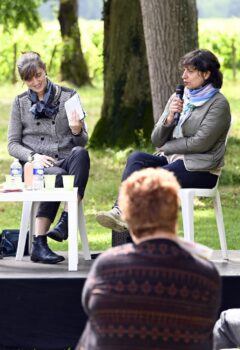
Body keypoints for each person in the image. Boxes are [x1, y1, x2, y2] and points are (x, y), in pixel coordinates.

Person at [76, 168, 221, 350]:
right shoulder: (206, 275)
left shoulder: (107, 267)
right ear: (175, 214)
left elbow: (88, 304)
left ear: (128, 218)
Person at [96, 48, 231, 232]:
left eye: (190, 71)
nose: (184, 75)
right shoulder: (179, 97)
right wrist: (169, 120)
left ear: (206, 74)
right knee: (136, 159)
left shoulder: (218, 104)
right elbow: (156, 139)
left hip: (201, 169)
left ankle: (134, 240)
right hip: (171, 160)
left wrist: (168, 146)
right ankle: (121, 211)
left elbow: (201, 143)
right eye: (183, 70)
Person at [8, 51, 90, 264]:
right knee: (58, 176)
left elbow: (82, 141)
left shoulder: (69, 96)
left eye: (38, 75)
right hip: (37, 166)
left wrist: (76, 130)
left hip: (65, 157)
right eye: (29, 79)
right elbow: (12, 144)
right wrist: (33, 156)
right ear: (23, 80)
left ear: (45, 71)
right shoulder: (20, 103)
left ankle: (64, 222)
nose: (35, 82)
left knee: (81, 154)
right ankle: (39, 244)